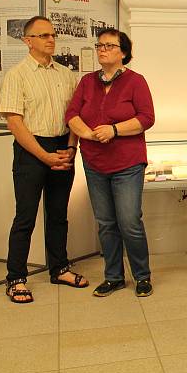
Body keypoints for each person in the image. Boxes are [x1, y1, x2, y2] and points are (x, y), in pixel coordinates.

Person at [0, 15, 89, 304]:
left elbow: (75, 117)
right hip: (31, 151)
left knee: (59, 213)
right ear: (28, 41)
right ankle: (16, 277)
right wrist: (44, 156)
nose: (51, 40)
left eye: (52, 35)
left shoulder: (66, 74)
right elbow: (15, 123)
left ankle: (59, 267)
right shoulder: (17, 75)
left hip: (63, 147)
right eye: (43, 35)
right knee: (25, 217)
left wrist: (71, 149)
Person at [66, 29, 155, 297]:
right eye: (100, 45)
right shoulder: (87, 81)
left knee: (129, 221)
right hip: (95, 163)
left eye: (109, 45)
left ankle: (142, 276)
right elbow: (72, 113)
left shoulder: (136, 81)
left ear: (123, 52)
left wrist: (113, 130)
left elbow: (147, 117)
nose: (102, 49)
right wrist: (86, 133)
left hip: (127, 163)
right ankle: (114, 276)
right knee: (105, 223)